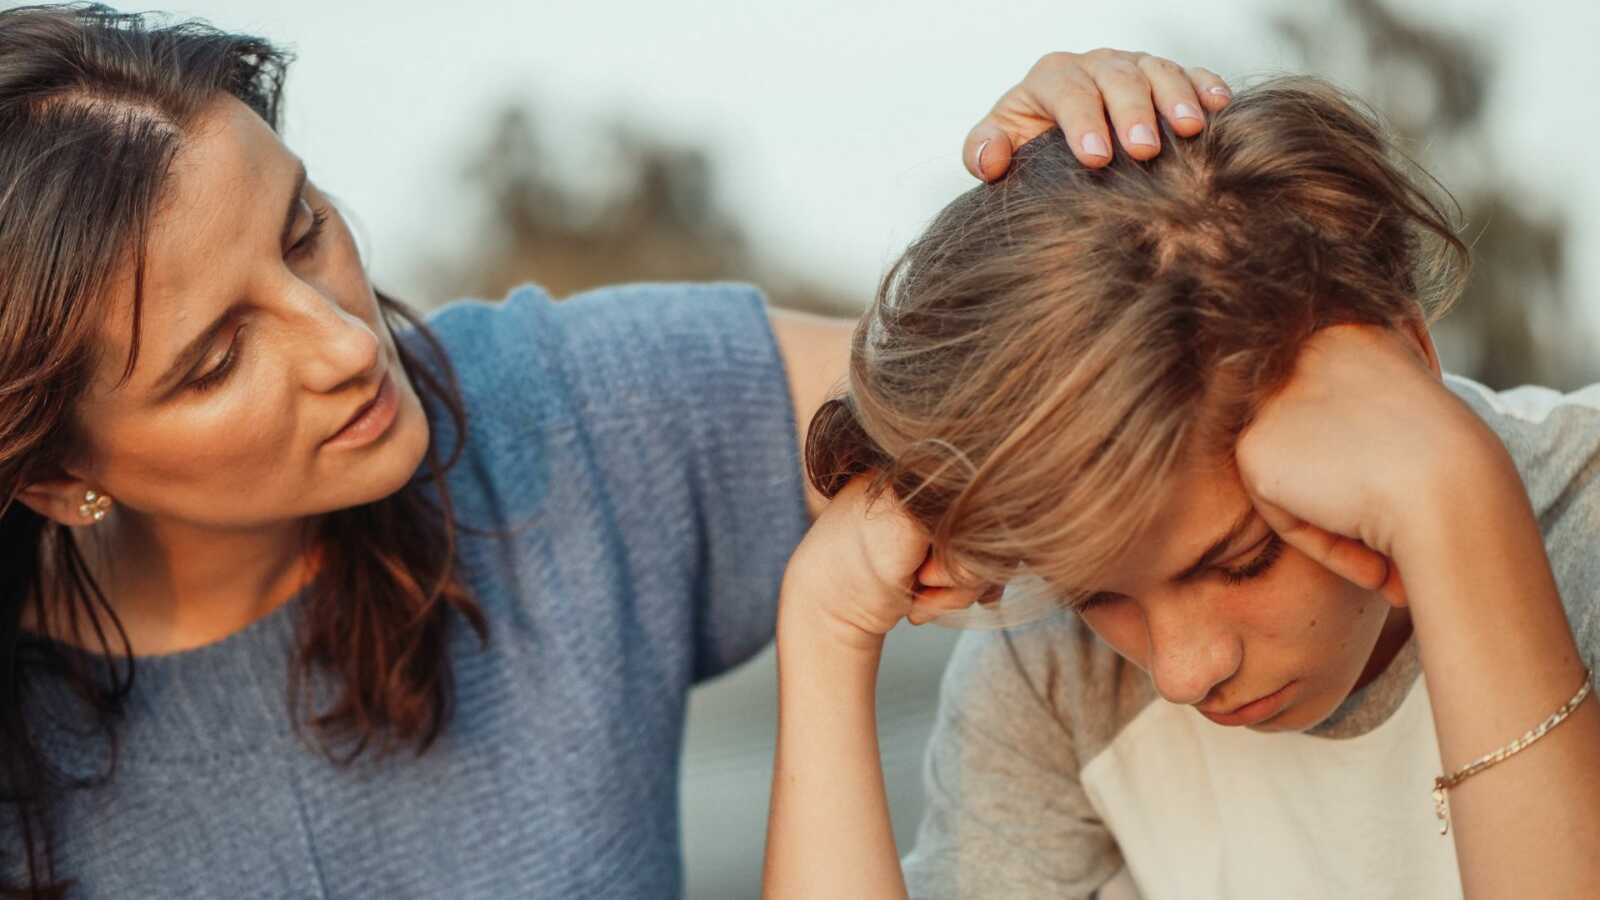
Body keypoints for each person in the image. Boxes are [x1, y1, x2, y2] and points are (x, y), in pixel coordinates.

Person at [0, 3, 1233, 896]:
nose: (341, 345)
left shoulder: (570, 416)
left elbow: (1061, 382)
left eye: (305, 229)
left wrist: (1102, 206)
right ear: (58, 475)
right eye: (217, 360)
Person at [762, 76, 1600, 899]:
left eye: (1242, 561)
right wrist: (824, 628)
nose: (1182, 672)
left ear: (1408, 362)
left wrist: (1459, 508)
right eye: (1095, 593)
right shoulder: (1053, 678)